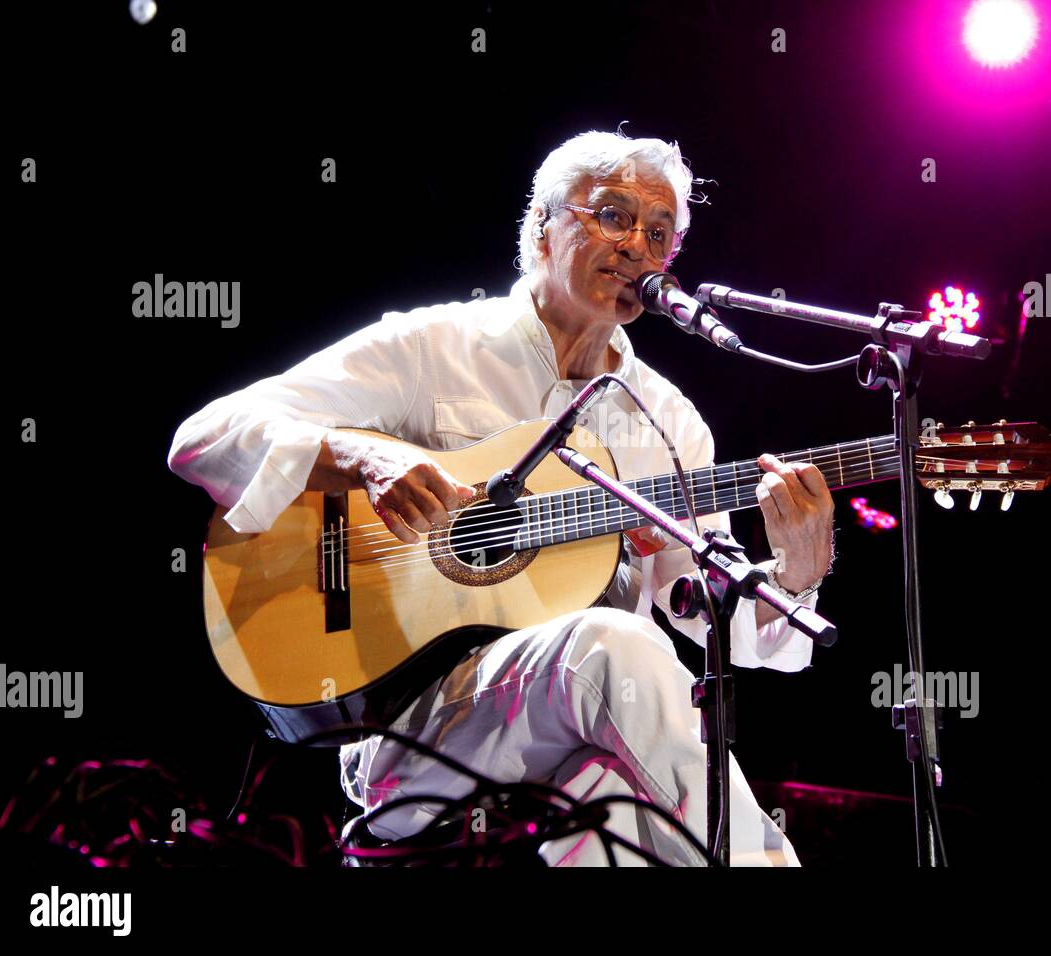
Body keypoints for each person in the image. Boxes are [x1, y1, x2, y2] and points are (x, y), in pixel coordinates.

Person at [168, 129, 836, 866]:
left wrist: (796, 577)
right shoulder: (435, 348)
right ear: (541, 228)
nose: (639, 247)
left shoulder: (668, 422)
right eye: (613, 216)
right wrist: (363, 455)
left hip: (583, 737)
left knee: (613, 804)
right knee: (612, 641)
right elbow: (205, 437)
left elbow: (701, 612)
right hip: (411, 729)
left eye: (660, 232)